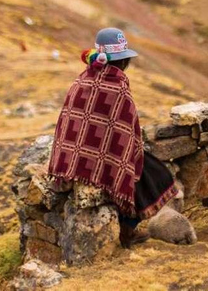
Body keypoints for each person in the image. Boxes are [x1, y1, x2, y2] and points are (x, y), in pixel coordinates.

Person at [48, 27, 179, 248]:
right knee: (153, 174)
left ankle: (126, 228)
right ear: (121, 62)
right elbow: (130, 138)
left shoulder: (81, 80)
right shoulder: (118, 88)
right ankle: (127, 230)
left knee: (141, 170)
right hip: (96, 165)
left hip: (71, 161)